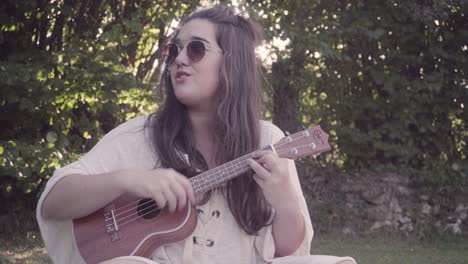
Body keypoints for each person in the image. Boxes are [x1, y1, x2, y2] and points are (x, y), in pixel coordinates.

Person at [37, 5, 357, 264]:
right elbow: (53, 203)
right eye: (174, 49)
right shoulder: (139, 134)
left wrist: (285, 203)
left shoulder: (269, 140)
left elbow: (289, 254)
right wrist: (128, 179)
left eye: (196, 49)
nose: (179, 58)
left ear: (232, 65)